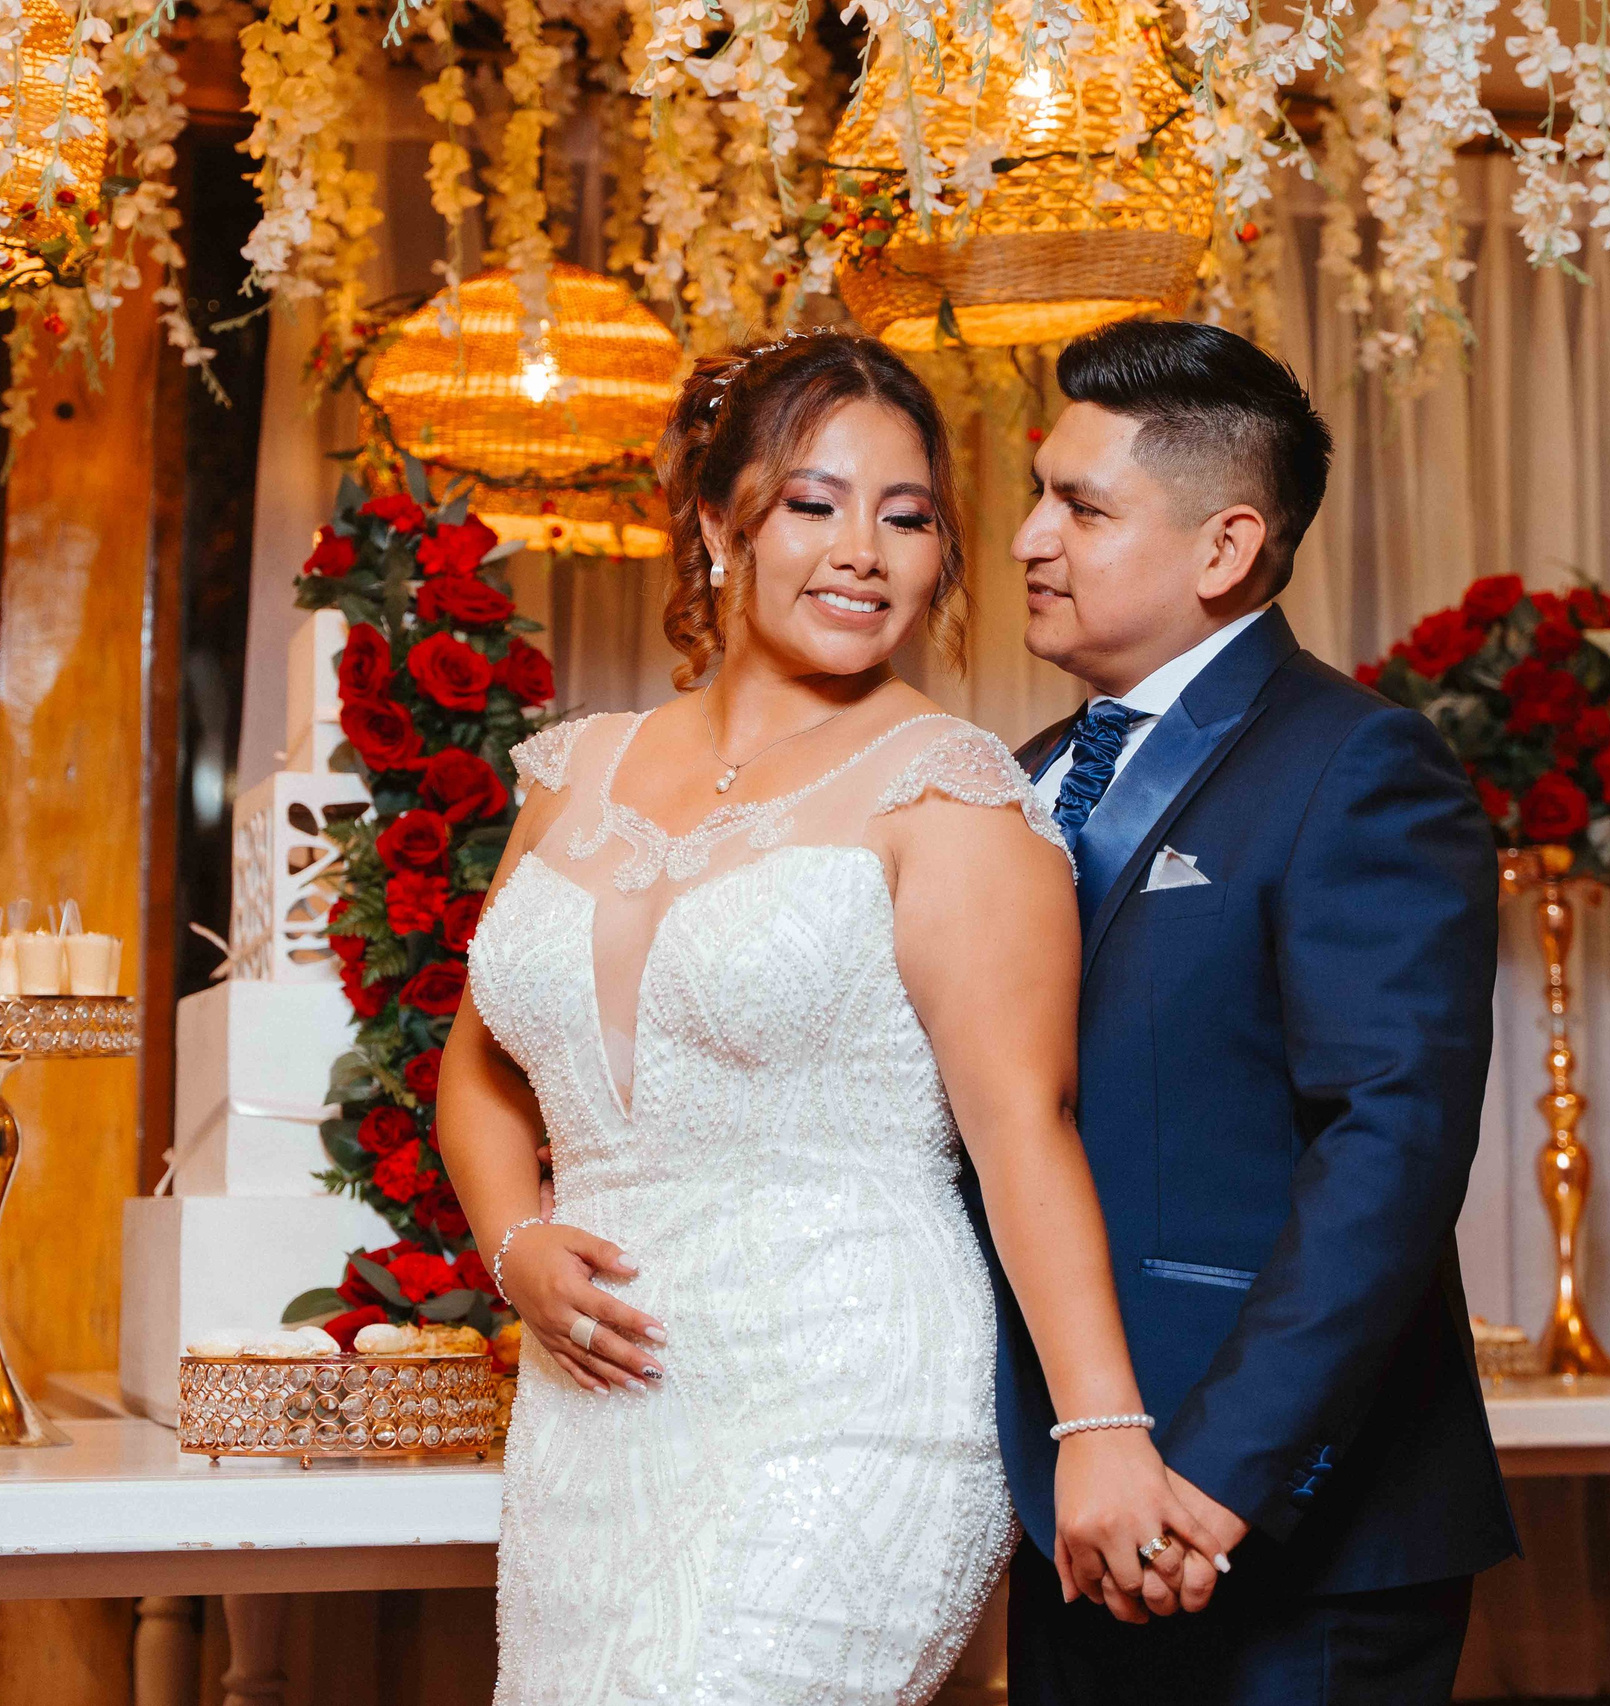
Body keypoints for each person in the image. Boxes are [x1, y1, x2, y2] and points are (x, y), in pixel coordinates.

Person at [436, 329, 1213, 1706]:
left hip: (851, 1404)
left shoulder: (950, 791)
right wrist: (515, 1247)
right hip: (595, 1416)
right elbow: (482, 1070)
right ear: (718, 523)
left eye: (908, 518)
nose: (866, 550)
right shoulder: (575, 771)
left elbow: (1025, 1124)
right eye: (816, 503)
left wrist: (1102, 1422)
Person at [990, 318, 1520, 1704]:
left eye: (1081, 505)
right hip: (1066, 1503)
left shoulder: (1359, 764)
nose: (1027, 540)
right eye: (1036, 493)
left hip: (1285, 1535)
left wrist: (1217, 1481)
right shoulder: (1020, 777)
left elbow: (1389, 1143)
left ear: (1225, 548)